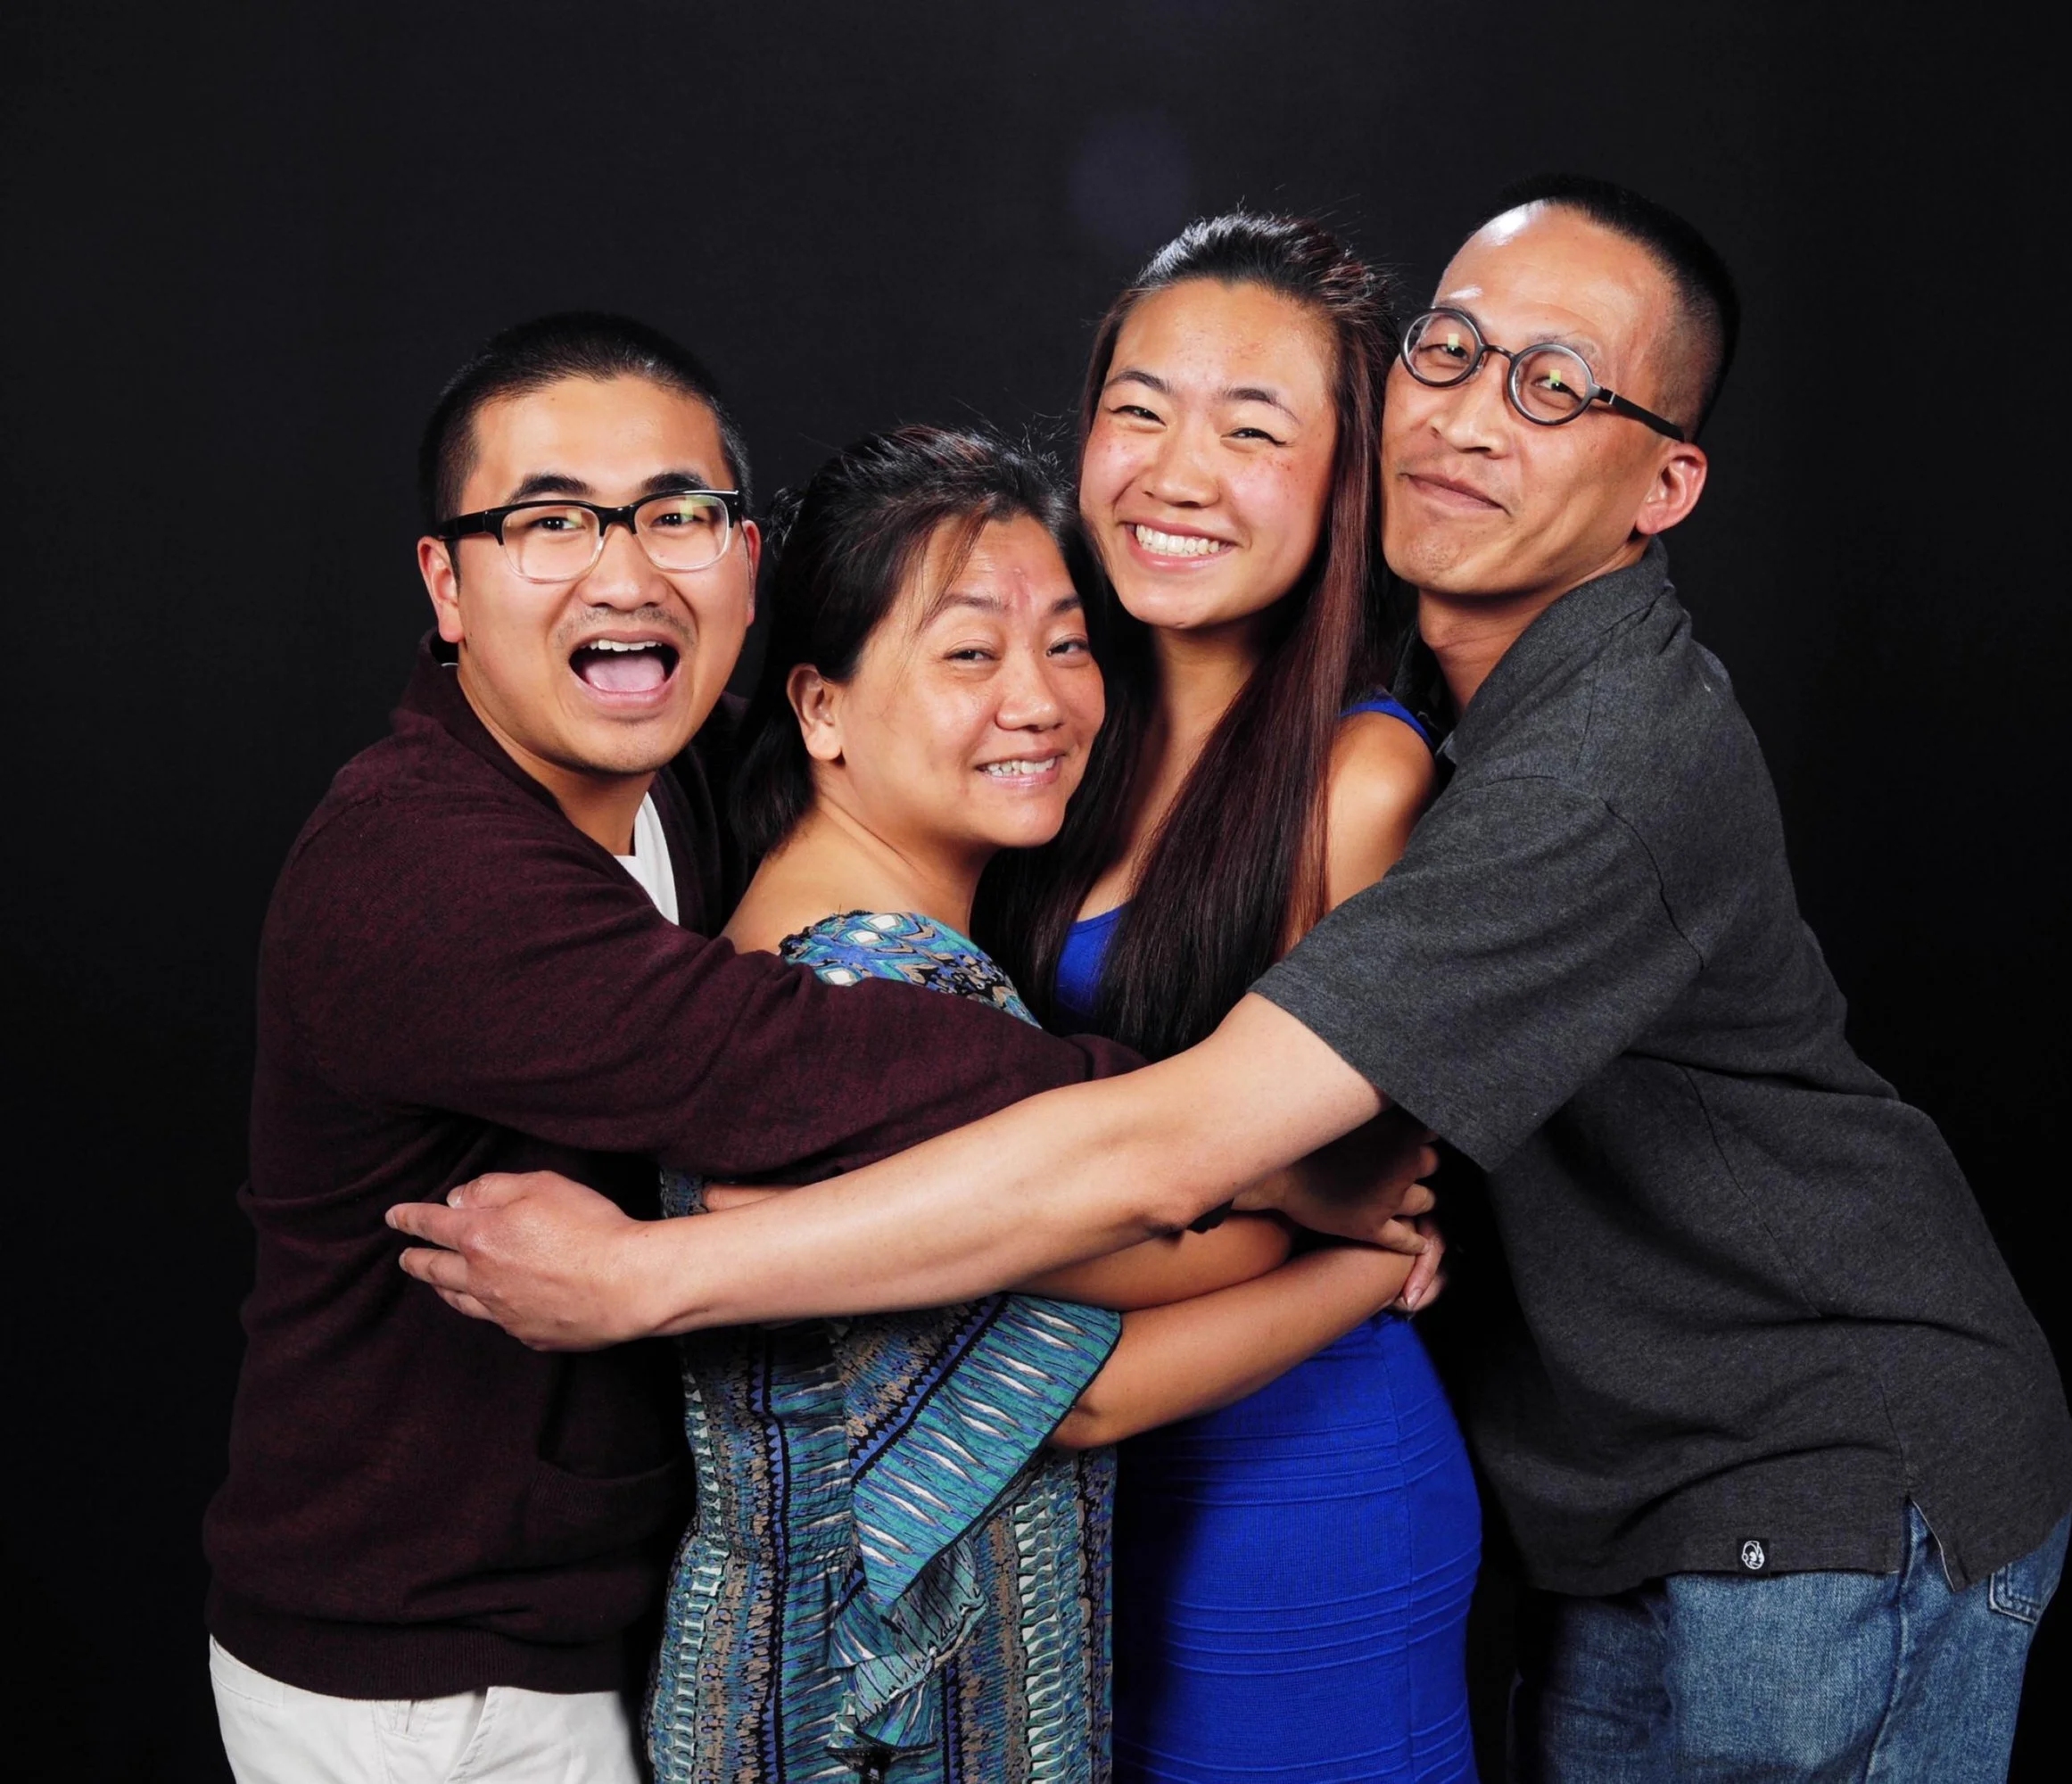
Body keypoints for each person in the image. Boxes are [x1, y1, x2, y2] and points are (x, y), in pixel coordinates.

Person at [397, 178, 2072, 1780]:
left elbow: (1191, 1152)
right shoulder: (1067, 723)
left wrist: (655, 1278)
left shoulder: (1556, 772)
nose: (1472, 417)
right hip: (1532, 1489)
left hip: (1799, 1477)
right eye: (1451, 352)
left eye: (1556, 387)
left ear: (1663, 486)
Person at [214, 313, 1427, 1784]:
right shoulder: (427, 873)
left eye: (676, 515)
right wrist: (1267, 1160)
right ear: (447, 582)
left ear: (742, 560)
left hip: (596, 1629)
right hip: (429, 1682)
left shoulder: (674, 788)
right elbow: (799, 1070)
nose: (625, 572)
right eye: (551, 522)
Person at [648, 423, 1442, 1784]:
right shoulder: (864, 988)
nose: (1041, 700)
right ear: (821, 709)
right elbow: (1083, 1380)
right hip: (864, 1733)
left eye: (1068, 644)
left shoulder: (866, 955)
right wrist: (1364, 1248)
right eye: (970, 653)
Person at [977, 213, 1478, 1782]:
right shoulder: (1043, 720)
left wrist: (1317, 1208)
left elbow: (1333, 1181)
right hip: (1045, 1489)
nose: (1175, 474)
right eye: (1139, 410)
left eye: (1252, 430)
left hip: (1291, 1492)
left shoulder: (1359, 778)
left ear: (1346, 483)